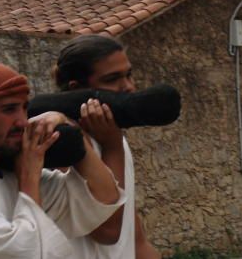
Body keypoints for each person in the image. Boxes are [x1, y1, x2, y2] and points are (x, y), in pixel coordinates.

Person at [0, 56, 125, 259]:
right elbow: (23, 253)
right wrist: (28, 179)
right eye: (9, 109)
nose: (21, 121)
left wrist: (66, 124)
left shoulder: (13, 175)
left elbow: (104, 196)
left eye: (24, 108)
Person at [54, 35, 161, 258]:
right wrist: (112, 149)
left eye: (129, 75)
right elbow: (107, 231)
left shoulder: (113, 137)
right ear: (77, 89)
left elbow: (134, 237)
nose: (129, 87)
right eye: (112, 79)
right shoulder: (63, 145)